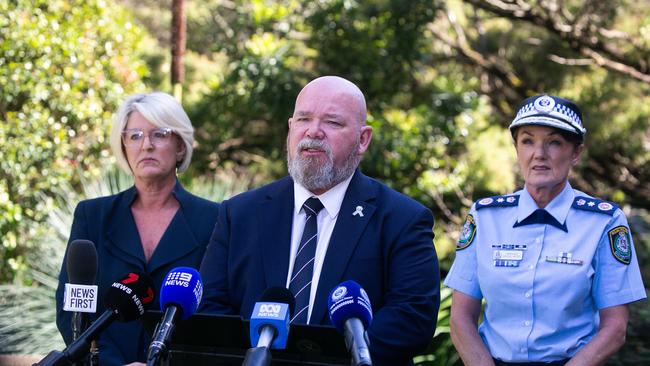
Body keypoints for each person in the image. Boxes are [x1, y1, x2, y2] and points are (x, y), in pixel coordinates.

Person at [199, 76, 440, 365]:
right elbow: (209, 308)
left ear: (363, 140)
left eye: (332, 123)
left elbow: (412, 319)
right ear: (290, 129)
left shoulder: (402, 220)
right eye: (303, 119)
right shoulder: (239, 214)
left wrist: (319, 357)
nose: (313, 132)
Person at [445, 94, 647, 365]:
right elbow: (460, 318)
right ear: (516, 148)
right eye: (527, 141)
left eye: (554, 142)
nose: (539, 154)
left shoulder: (604, 223)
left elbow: (614, 329)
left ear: (576, 152)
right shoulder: (485, 217)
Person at [55, 92, 220, 365]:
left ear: (180, 146)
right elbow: (72, 309)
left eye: (160, 134)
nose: (146, 145)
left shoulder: (214, 219)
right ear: (123, 145)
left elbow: (216, 312)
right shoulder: (93, 216)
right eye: (135, 136)